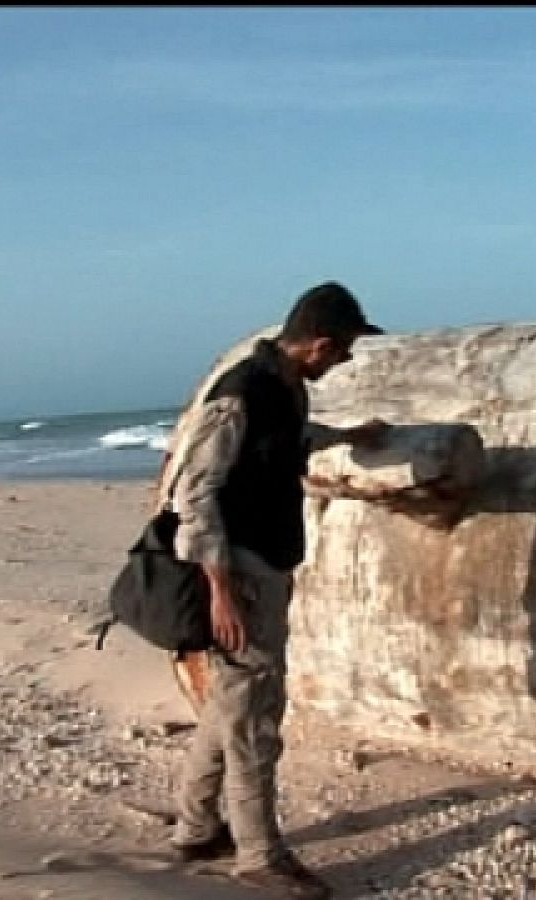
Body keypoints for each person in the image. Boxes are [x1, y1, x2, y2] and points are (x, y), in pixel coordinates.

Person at [155, 281, 389, 899]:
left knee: (231, 704)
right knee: (255, 716)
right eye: (343, 349)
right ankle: (260, 856)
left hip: (263, 566)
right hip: (239, 574)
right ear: (319, 344)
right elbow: (195, 495)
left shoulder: (284, 387)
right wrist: (220, 591)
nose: (345, 359)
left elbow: (283, 445)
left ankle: (195, 827)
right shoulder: (241, 392)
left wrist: (347, 436)